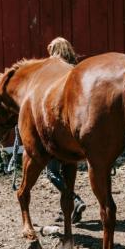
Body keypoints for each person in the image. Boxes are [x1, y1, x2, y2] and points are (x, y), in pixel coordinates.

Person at [45, 38, 87, 223]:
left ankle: (75, 201)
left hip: (57, 130)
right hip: (74, 132)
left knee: (52, 172)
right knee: (68, 171)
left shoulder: (54, 73)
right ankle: (66, 210)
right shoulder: (76, 71)